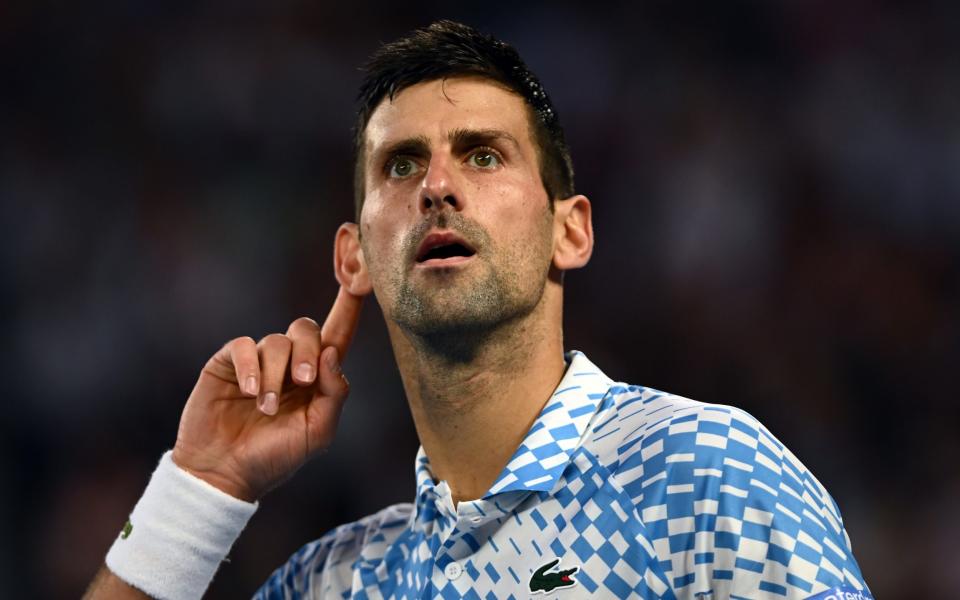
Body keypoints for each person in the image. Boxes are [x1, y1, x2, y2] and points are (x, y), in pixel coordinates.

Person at [85, 20, 871, 600]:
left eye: (483, 154)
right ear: (353, 257)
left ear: (570, 230)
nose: (437, 185)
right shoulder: (335, 582)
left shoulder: (701, 474)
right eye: (400, 165)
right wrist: (200, 484)